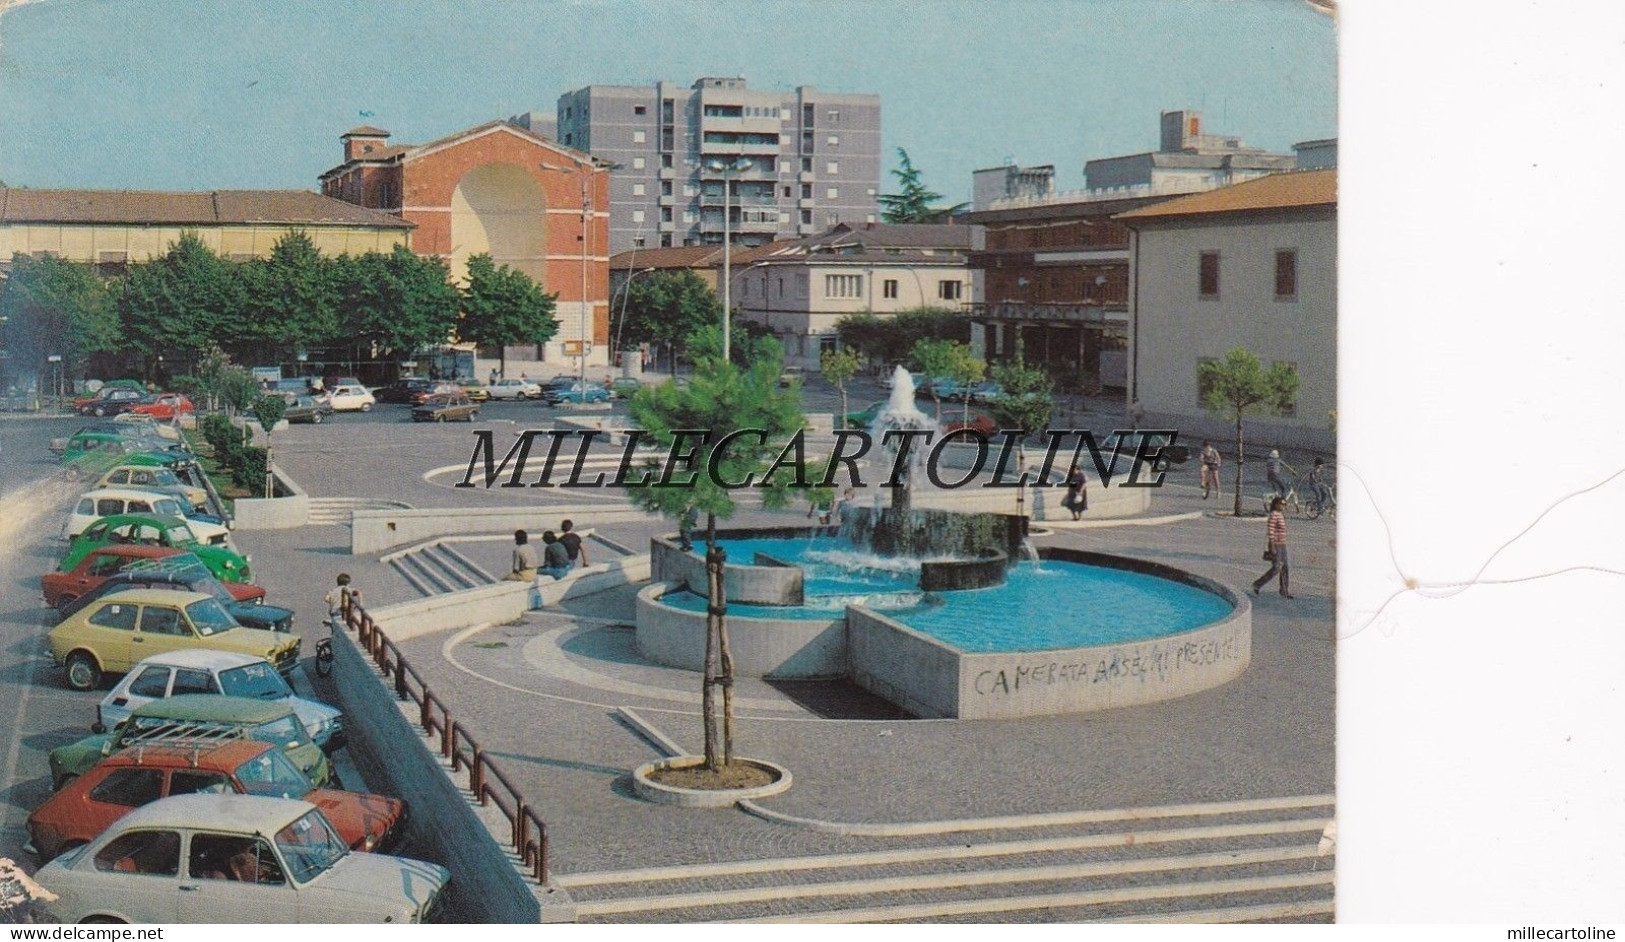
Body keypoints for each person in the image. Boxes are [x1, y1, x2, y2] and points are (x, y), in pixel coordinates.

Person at [1252, 497, 1293, 598]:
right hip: (1276, 544)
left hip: (1282, 544)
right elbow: (1271, 532)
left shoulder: (1280, 514)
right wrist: (1272, 546)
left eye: (1284, 504)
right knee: (1276, 568)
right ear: (1276, 505)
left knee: (1285, 566)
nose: (1283, 506)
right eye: (1281, 504)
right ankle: (1257, 584)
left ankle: (1284, 590)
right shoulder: (1274, 515)